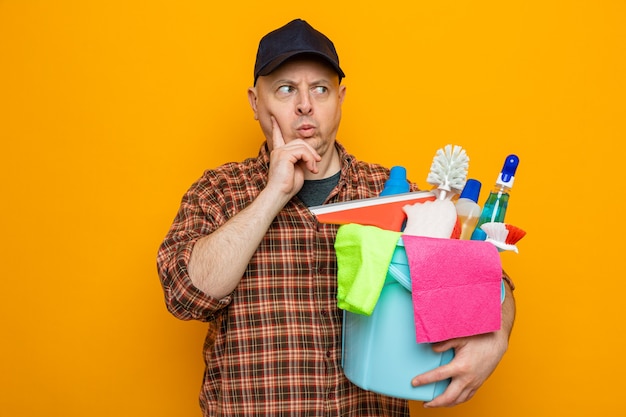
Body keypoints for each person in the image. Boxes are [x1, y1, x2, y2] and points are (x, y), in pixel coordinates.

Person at [157, 18, 515, 416]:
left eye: (320, 89)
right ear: (255, 101)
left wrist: (495, 334)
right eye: (286, 88)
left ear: (340, 98)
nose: (305, 104)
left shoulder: (392, 195)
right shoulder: (219, 191)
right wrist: (274, 194)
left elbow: (483, 275)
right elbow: (186, 295)